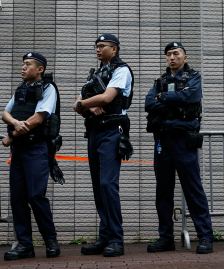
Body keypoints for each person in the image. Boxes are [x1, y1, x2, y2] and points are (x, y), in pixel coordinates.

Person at [144, 42, 214, 254]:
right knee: (163, 193)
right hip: (163, 142)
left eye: (176, 53)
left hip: (184, 141)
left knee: (193, 190)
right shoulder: (160, 81)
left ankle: (205, 237)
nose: (171, 57)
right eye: (168, 54)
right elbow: (148, 104)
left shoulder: (193, 78)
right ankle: (166, 238)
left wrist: (163, 98)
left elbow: (189, 96)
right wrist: (173, 99)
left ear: (185, 57)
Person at [72, 34, 134, 257]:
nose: (97, 50)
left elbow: (107, 98)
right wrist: (88, 106)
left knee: (108, 184)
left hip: (111, 132)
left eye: (102, 46)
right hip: (95, 131)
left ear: (114, 49)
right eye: (96, 46)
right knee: (99, 187)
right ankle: (105, 236)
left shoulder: (121, 70)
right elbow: (75, 105)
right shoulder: (95, 73)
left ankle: (116, 240)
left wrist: (85, 103)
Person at [1, 52, 62, 260]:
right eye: (23, 64)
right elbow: (5, 113)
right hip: (19, 150)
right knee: (17, 198)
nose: (23, 67)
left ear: (40, 69)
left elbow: (37, 119)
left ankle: (50, 240)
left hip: (37, 147)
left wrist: (12, 135)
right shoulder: (21, 89)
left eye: (28, 64)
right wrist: (15, 123)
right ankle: (25, 245)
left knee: (36, 196)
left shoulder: (48, 88)